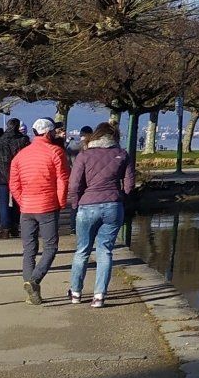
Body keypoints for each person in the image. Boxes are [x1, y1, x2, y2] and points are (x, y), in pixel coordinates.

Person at [67, 122, 135, 308]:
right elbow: (129, 185)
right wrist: (121, 197)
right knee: (105, 251)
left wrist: (75, 203)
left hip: (87, 205)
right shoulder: (122, 154)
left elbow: (74, 185)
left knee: (82, 250)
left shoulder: (84, 155)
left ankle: (75, 292)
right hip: (113, 205)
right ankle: (99, 296)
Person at [9, 117, 69, 304]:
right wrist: (61, 202)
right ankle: (34, 280)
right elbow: (62, 179)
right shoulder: (56, 152)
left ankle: (31, 288)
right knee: (50, 247)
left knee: (29, 249)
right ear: (49, 133)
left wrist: (22, 201)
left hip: (26, 207)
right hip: (48, 206)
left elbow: (14, 184)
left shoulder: (21, 155)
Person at [0, 117, 26, 233]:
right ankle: (15, 224)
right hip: (18, 174)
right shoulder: (23, 140)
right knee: (17, 201)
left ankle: (5, 227)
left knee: (2, 202)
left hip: (1, 174)